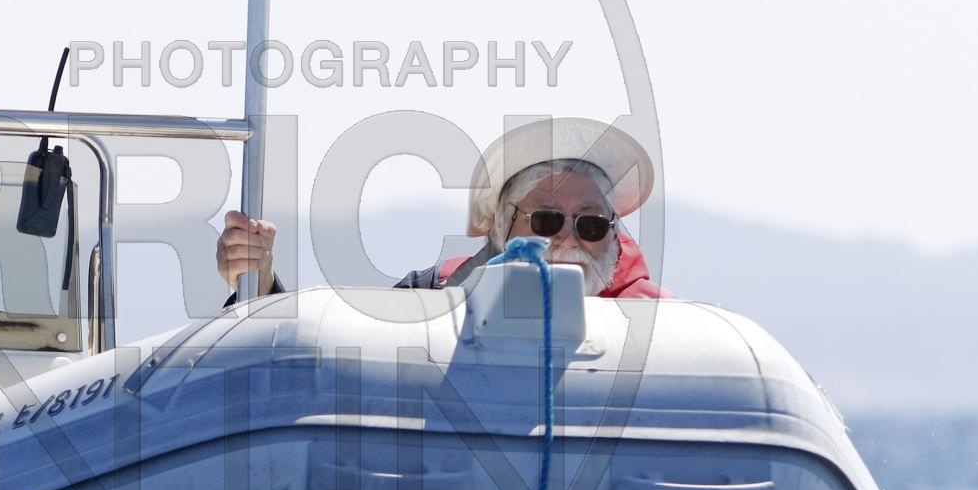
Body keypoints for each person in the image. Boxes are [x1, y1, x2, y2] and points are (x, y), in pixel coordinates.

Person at [217, 116, 670, 301]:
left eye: (591, 225)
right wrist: (258, 280)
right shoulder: (433, 294)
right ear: (500, 229)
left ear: (614, 237)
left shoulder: (663, 331)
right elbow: (317, 381)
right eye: (547, 220)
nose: (568, 238)